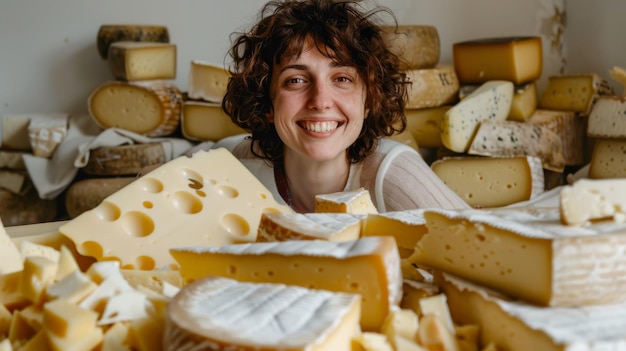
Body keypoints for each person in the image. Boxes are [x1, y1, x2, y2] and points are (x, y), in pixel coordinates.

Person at [215, 0, 470, 213]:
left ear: (369, 100)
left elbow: (483, 246)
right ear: (266, 103)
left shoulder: (393, 176)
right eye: (295, 80)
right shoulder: (232, 165)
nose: (320, 101)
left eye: (342, 79)